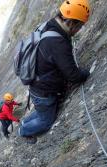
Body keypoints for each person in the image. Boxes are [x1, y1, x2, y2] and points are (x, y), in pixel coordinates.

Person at [18, 0, 91, 144]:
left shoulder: (49, 25)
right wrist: (86, 73)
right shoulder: (57, 43)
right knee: (46, 121)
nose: (79, 30)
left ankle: (24, 122)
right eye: (80, 26)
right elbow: (74, 76)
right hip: (43, 92)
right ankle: (23, 131)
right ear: (71, 22)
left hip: (36, 86)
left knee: (42, 112)